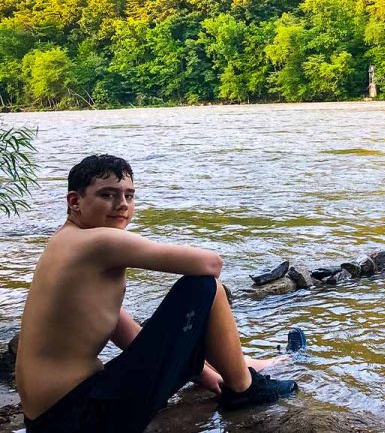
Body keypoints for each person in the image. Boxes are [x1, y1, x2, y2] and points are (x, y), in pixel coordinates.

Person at [16, 155, 298, 433]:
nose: (122, 205)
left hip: (49, 421)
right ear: (75, 201)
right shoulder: (99, 241)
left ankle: (240, 370)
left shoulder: (64, 242)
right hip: (82, 416)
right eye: (108, 195)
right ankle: (244, 388)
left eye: (129, 195)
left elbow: (123, 331)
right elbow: (211, 264)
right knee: (205, 288)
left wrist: (205, 375)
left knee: (183, 315)